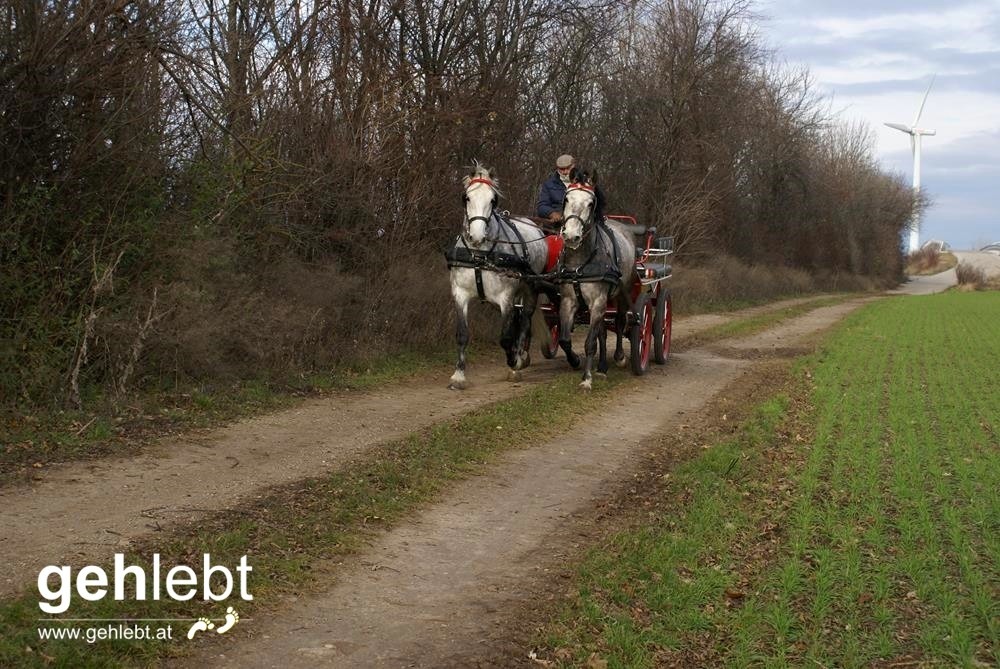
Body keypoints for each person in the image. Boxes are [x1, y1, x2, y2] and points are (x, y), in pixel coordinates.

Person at [536, 154, 575, 222]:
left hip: (581, 223)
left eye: (568, 168)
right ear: (557, 168)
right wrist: (552, 213)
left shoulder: (584, 183)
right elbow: (542, 206)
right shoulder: (548, 184)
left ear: (573, 166)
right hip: (557, 225)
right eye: (562, 169)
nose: (565, 172)